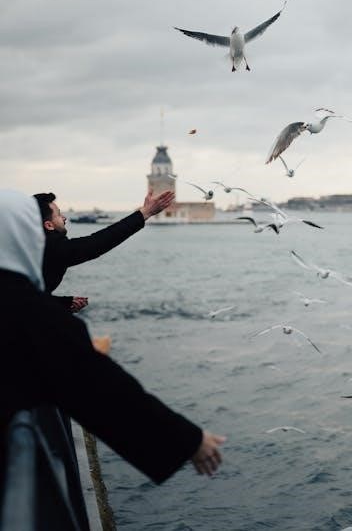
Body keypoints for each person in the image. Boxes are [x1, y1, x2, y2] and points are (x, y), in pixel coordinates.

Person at [0, 189, 225, 482]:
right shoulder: (26, 308)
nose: (64, 218)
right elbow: (97, 383)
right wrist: (188, 441)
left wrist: (59, 304)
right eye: (58, 214)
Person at [33, 189, 174, 310]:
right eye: (58, 215)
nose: (64, 218)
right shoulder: (50, 247)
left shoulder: (32, 245)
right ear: (49, 225)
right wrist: (145, 213)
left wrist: (63, 303)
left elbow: (27, 297)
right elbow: (98, 243)